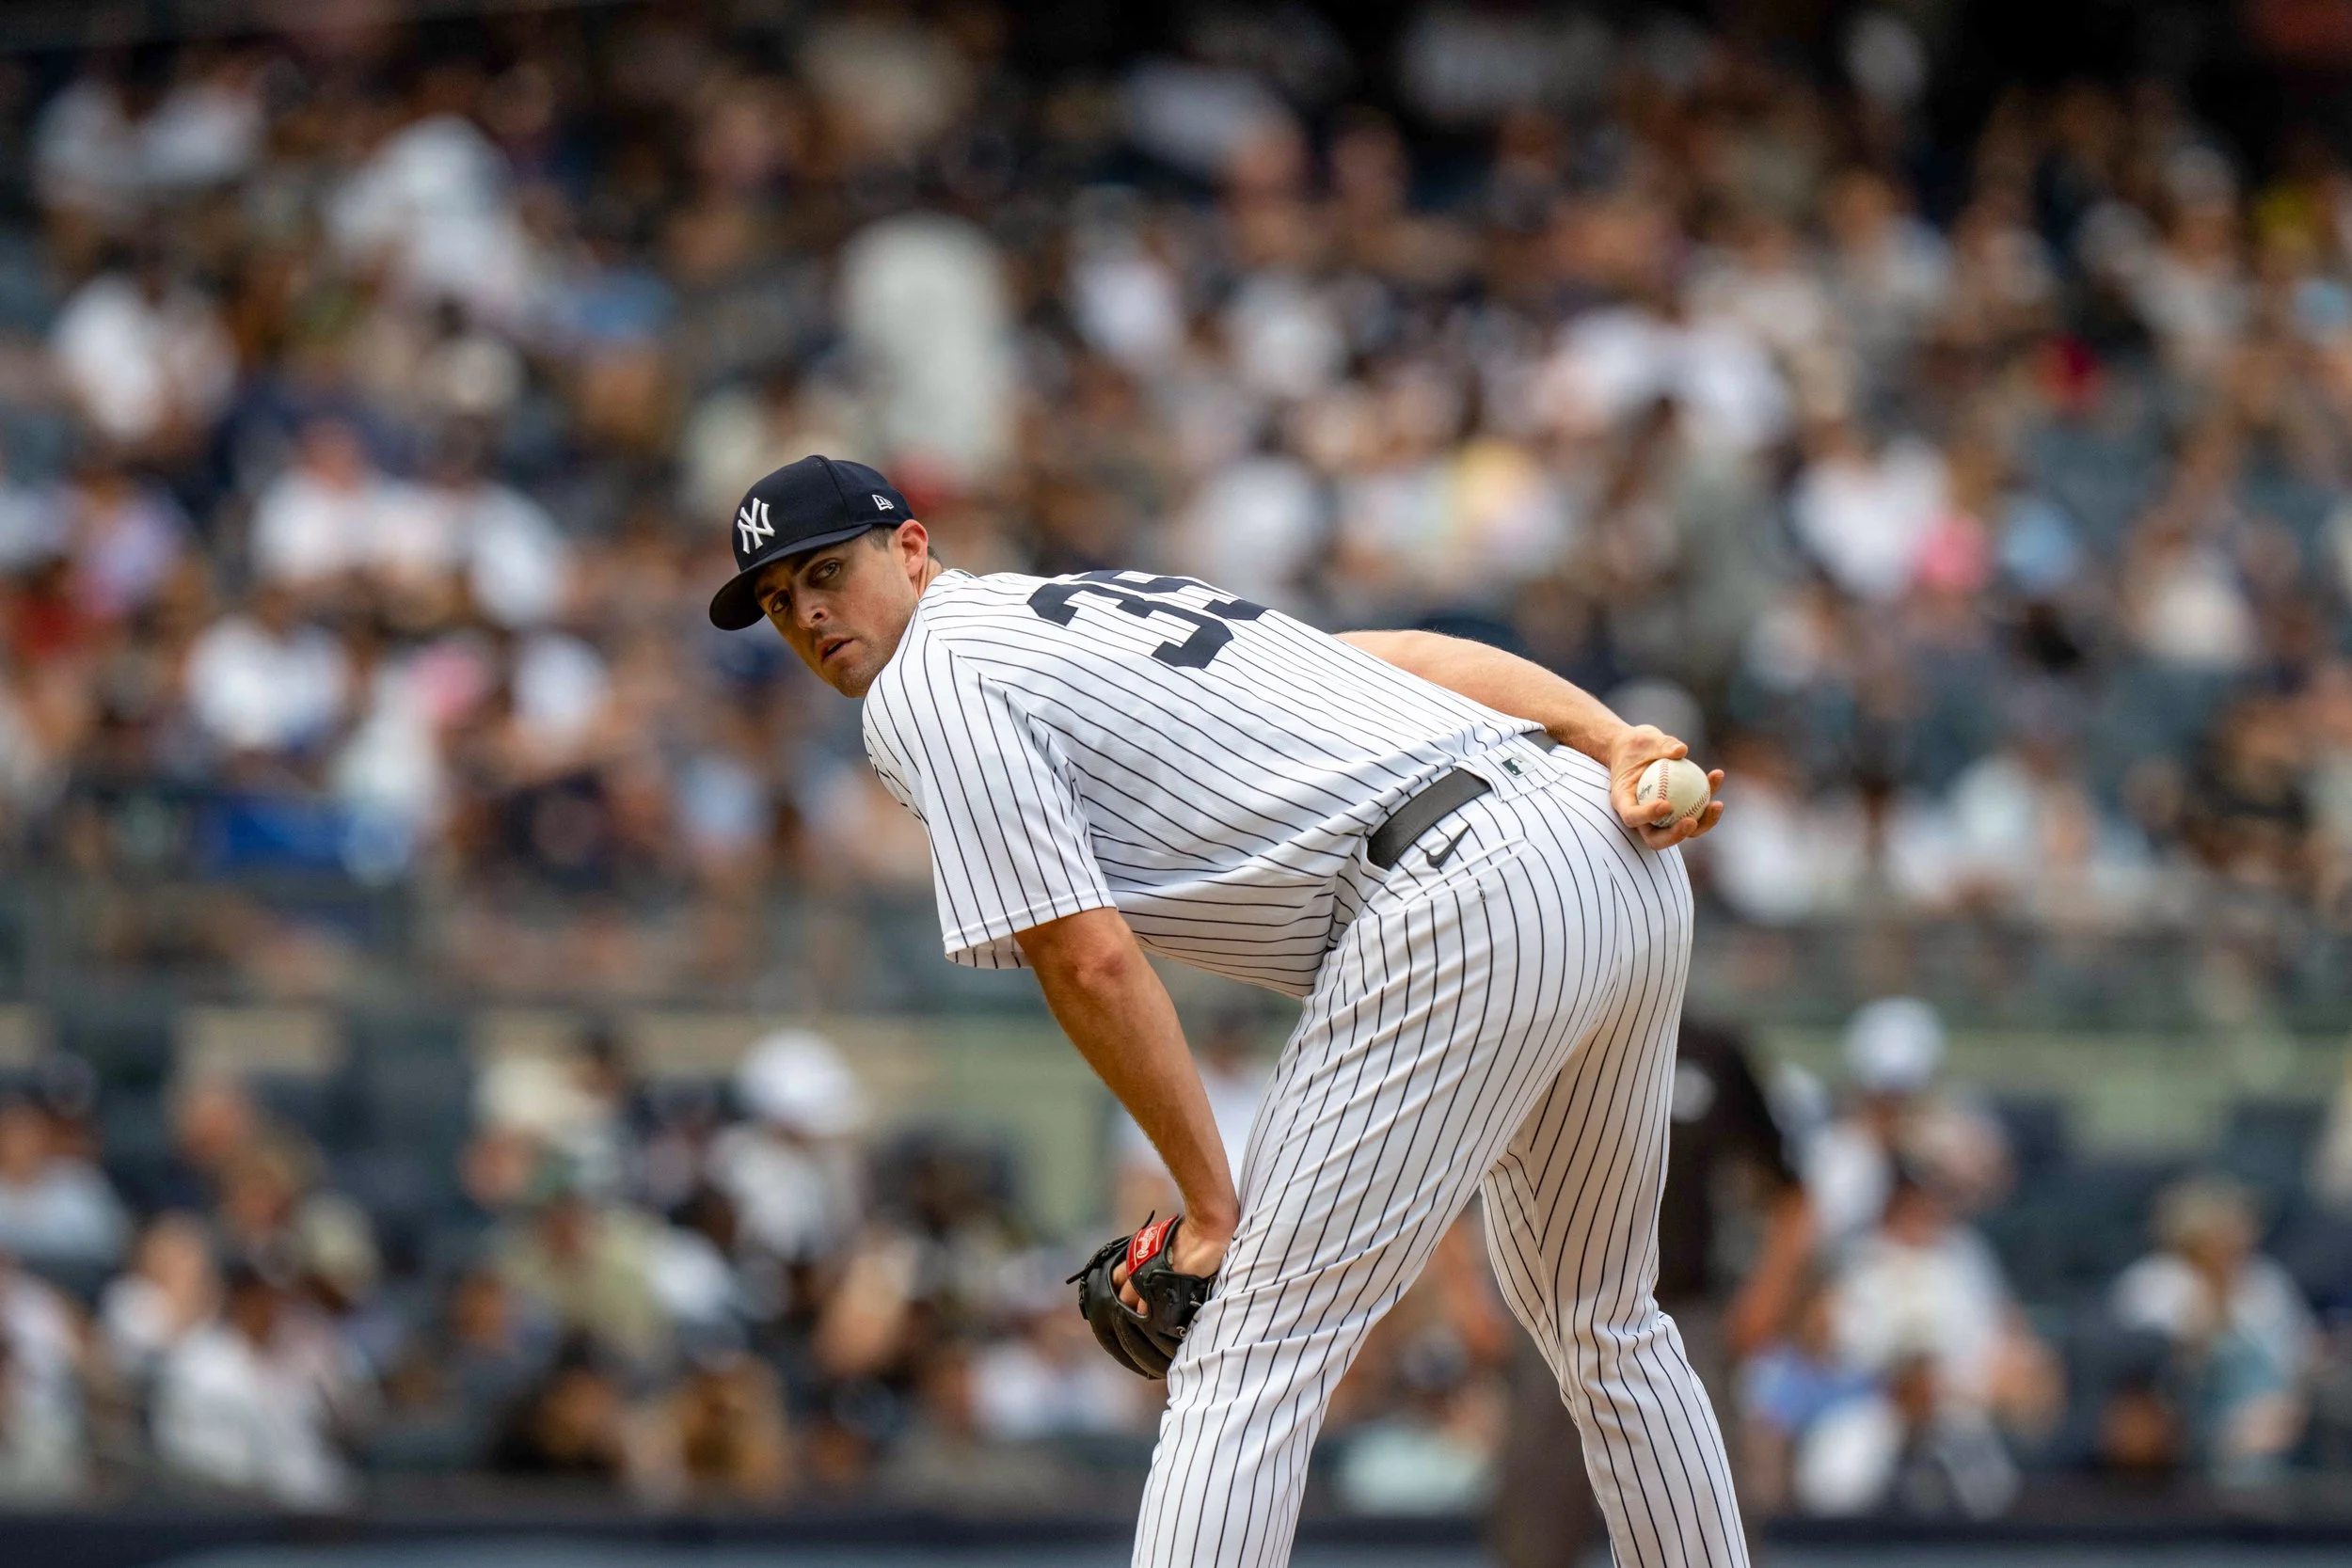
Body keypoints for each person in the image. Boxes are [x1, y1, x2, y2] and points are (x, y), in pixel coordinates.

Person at [707, 455, 1740, 1567]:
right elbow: (1396, 658)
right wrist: (1606, 734)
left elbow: (1086, 957)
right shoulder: (1078, 609)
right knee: (1605, 1325)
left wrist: (1210, 1209)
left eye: (826, 571)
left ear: (911, 549)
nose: (807, 613)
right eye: (778, 600)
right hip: (1601, 844)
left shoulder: (930, 679)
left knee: (1246, 1354)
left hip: (1463, 889)